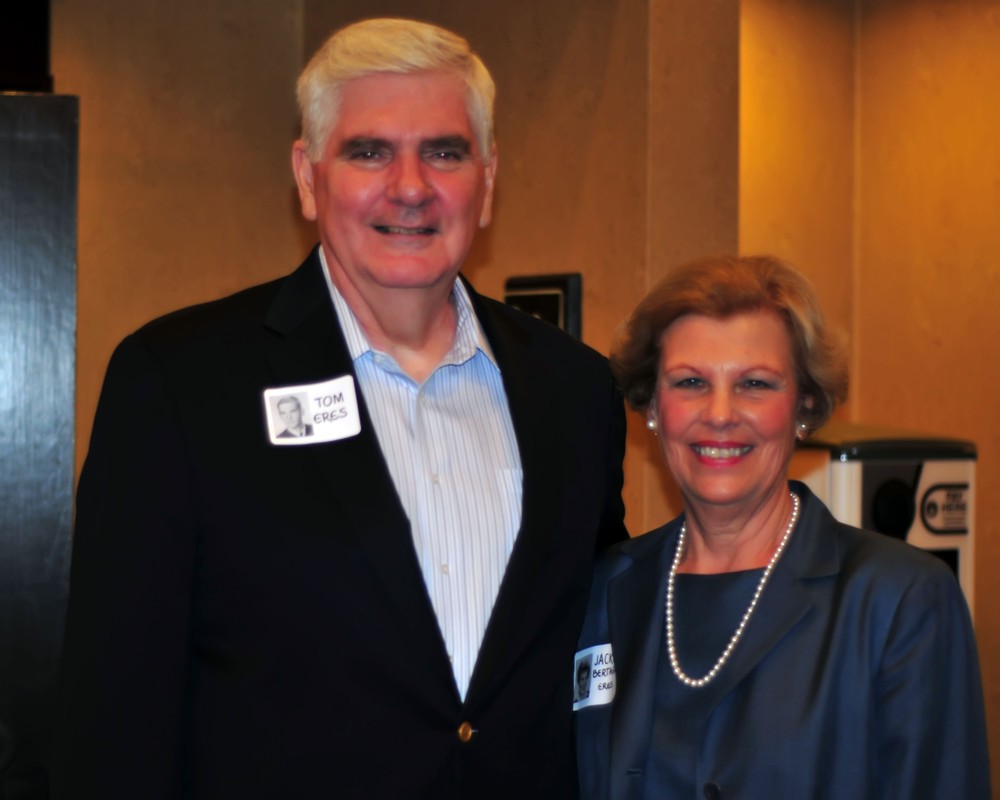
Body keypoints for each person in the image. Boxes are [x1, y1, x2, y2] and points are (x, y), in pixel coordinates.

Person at [52, 18, 627, 799]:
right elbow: (114, 714)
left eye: (444, 152)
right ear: (307, 174)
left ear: (487, 180)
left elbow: (598, 662)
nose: (411, 186)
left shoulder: (575, 391)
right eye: (369, 152)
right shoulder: (181, 383)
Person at [575, 255, 990, 799]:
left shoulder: (900, 602)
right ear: (652, 405)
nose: (719, 413)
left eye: (754, 384)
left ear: (804, 407)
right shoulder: (602, 591)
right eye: (691, 381)